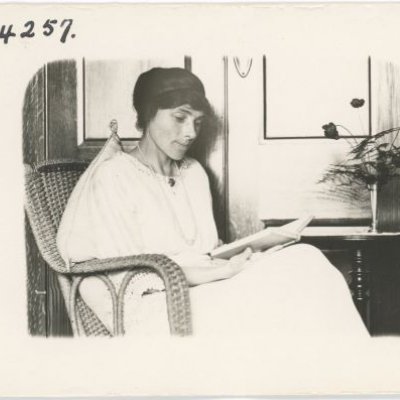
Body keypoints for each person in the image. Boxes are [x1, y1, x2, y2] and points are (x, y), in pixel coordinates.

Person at [57, 67, 368, 337]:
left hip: (207, 289)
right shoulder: (115, 176)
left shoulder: (193, 173)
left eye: (197, 122)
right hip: (157, 310)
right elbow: (119, 278)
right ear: (146, 114)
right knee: (280, 303)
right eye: (179, 118)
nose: (190, 132)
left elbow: (209, 249)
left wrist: (243, 255)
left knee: (306, 260)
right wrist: (219, 273)